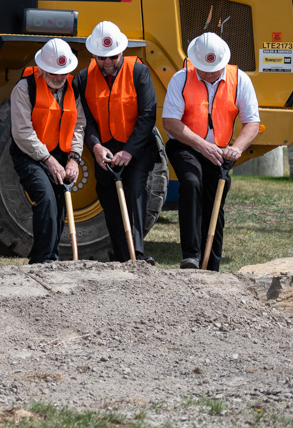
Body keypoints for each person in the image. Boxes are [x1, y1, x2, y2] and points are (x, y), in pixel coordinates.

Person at [162, 33, 260, 271]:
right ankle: (191, 256)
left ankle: (212, 265)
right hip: (186, 145)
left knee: (217, 194)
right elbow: (170, 122)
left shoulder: (240, 80)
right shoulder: (181, 78)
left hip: (220, 151)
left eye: (214, 69)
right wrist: (202, 145)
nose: (209, 74)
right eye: (204, 69)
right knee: (191, 182)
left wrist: (236, 149)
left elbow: (252, 122)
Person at [75, 21, 157, 264]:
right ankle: (123, 257)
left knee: (134, 191)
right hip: (105, 152)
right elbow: (85, 120)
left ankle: (138, 255)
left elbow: (147, 115)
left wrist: (129, 151)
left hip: (137, 149)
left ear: (122, 51)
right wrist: (96, 146)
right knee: (108, 197)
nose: (108, 63)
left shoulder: (139, 72)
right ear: (93, 55)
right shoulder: (83, 78)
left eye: (113, 57)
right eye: (102, 58)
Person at [10, 38, 85, 264]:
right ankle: (44, 260)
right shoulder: (24, 89)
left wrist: (73, 158)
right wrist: (48, 159)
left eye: (63, 73)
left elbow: (78, 125)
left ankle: (47, 256)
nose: (59, 78)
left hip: (61, 156)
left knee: (59, 207)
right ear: (41, 68)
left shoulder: (73, 88)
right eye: (53, 73)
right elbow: (23, 132)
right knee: (45, 199)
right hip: (31, 156)